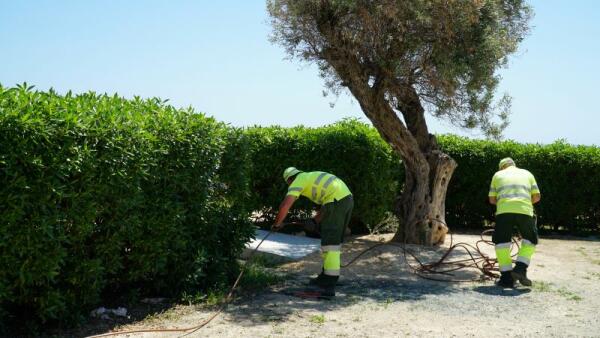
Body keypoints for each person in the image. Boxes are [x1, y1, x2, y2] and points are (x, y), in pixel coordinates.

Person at [272, 167, 354, 296]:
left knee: (330, 244)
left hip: (337, 202)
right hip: (346, 199)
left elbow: (285, 205)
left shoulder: (298, 180)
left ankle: (328, 285)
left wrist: (276, 224)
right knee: (332, 242)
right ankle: (325, 276)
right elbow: (327, 203)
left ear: (289, 180)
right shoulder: (309, 177)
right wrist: (315, 220)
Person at [488, 157, 541, 287]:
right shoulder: (528, 173)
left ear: (502, 167)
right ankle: (520, 269)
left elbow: (492, 200)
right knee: (530, 239)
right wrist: (522, 203)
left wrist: (505, 202)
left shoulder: (497, 175)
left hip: (504, 211)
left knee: (501, 243)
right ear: (514, 165)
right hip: (524, 210)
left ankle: (506, 278)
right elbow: (536, 197)